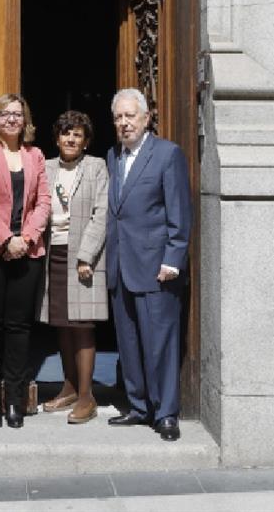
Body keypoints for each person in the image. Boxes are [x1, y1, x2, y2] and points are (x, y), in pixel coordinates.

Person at [105, 87, 192, 441]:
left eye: (130, 116)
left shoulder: (167, 154)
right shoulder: (113, 156)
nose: (124, 123)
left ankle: (166, 413)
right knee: (129, 343)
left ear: (146, 118)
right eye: (119, 118)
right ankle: (139, 407)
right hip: (121, 266)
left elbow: (179, 213)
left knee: (161, 344)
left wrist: (173, 258)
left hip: (156, 268)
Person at [0, 94, 52, 428]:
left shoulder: (35, 155)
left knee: (19, 328)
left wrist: (27, 238)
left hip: (27, 253)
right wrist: (5, 238)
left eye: (17, 114)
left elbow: (44, 201)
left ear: (26, 120)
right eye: (5, 114)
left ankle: (15, 402)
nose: (11, 119)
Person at [39, 110, 109, 424]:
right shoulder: (46, 166)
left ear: (85, 141)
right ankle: (68, 387)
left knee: (83, 325)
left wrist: (86, 256)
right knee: (62, 323)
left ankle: (86, 395)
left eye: (77, 134)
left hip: (82, 256)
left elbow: (102, 212)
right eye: (66, 133)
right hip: (53, 252)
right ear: (57, 138)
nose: (70, 139)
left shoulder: (96, 167)